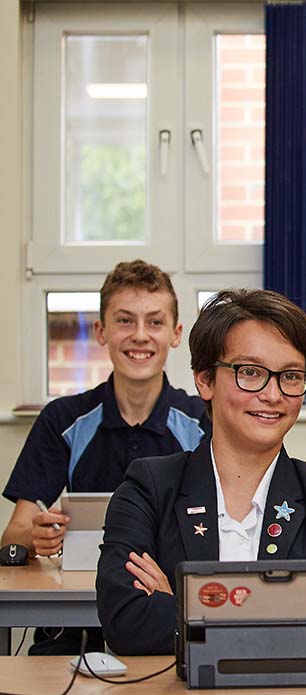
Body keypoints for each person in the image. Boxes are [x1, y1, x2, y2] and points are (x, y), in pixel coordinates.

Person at [95, 289, 306, 655]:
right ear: (205, 380)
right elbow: (127, 623)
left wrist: (187, 608)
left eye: (291, 376)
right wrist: (286, 617)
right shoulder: (148, 487)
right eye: (250, 372)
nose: (273, 394)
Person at [1, 260, 209, 655]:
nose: (140, 336)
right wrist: (38, 536)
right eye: (125, 321)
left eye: (155, 322)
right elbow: (13, 535)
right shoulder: (63, 419)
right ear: (102, 331)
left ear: (176, 334)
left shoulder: (202, 421)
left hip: (170, 617)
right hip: (73, 628)